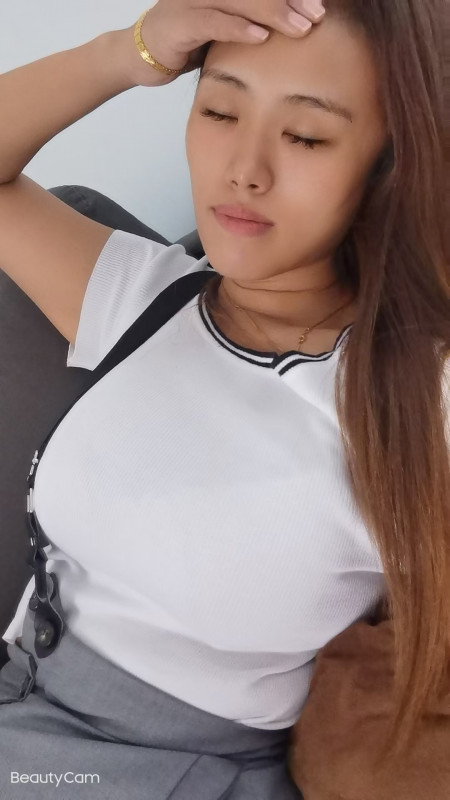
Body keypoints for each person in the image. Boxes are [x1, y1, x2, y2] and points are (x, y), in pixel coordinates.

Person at [0, 1, 448, 798]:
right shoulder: (145, 299)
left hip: (169, 771)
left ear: (391, 164)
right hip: (23, 701)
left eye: (305, 135)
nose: (244, 168)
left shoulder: (416, 398)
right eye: (219, 110)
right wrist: (128, 51)